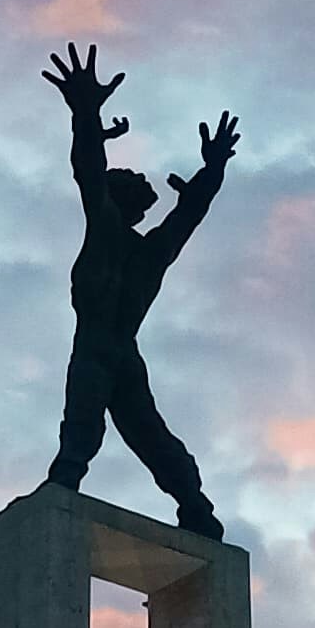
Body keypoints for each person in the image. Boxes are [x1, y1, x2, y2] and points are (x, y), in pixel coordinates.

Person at [39, 42, 239, 540]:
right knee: (148, 435)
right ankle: (195, 506)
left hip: (99, 347)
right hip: (125, 354)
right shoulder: (151, 253)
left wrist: (85, 113)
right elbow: (187, 216)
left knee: (85, 423)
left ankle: (67, 482)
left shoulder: (106, 231)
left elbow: (87, 168)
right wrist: (212, 173)